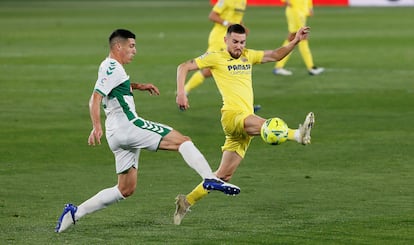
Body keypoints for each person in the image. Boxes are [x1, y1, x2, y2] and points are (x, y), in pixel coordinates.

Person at [54, 29, 241, 233]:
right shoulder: (111, 66)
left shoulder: (110, 67)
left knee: (125, 189)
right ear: (118, 47)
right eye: (131, 46)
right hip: (129, 126)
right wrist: (95, 126)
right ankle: (209, 178)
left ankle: (75, 213)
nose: (135, 50)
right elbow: (96, 97)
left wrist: (139, 86)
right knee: (182, 141)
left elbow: (115, 88)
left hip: (116, 135)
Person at [174, 24, 315, 225]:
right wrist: (181, 92)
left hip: (244, 123)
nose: (239, 46)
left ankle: (186, 202)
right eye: (235, 42)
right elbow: (183, 66)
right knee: (269, 126)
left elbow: (275, 55)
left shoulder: (248, 56)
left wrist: (294, 41)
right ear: (226, 40)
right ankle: (297, 134)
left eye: (242, 42)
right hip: (231, 116)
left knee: (222, 176)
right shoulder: (215, 56)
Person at [184, 0, 247, 95]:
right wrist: (227, 23)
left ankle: (184, 90)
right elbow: (212, 15)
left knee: (219, 70)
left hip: (232, 39)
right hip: (219, 39)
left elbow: (237, 18)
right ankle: (184, 89)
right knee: (230, 69)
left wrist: (242, 27)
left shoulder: (243, 1)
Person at [272, 0, 324, 76]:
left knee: (292, 38)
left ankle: (279, 67)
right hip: (296, 12)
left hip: (300, 12)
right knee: (302, 37)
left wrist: (310, 7)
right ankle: (311, 67)